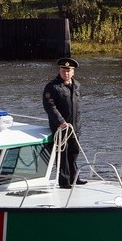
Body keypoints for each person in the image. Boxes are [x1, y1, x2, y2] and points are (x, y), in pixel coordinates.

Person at [42, 57, 86, 189]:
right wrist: (60, 121)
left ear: (73, 72)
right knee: (63, 153)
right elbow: (49, 106)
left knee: (74, 152)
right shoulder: (52, 87)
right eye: (63, 70)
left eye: (69, 70)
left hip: (75, 126)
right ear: (59, 70)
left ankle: (75, 177)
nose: (66, 73)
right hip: (61, 127)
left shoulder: (76, 85)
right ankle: (64, 181)